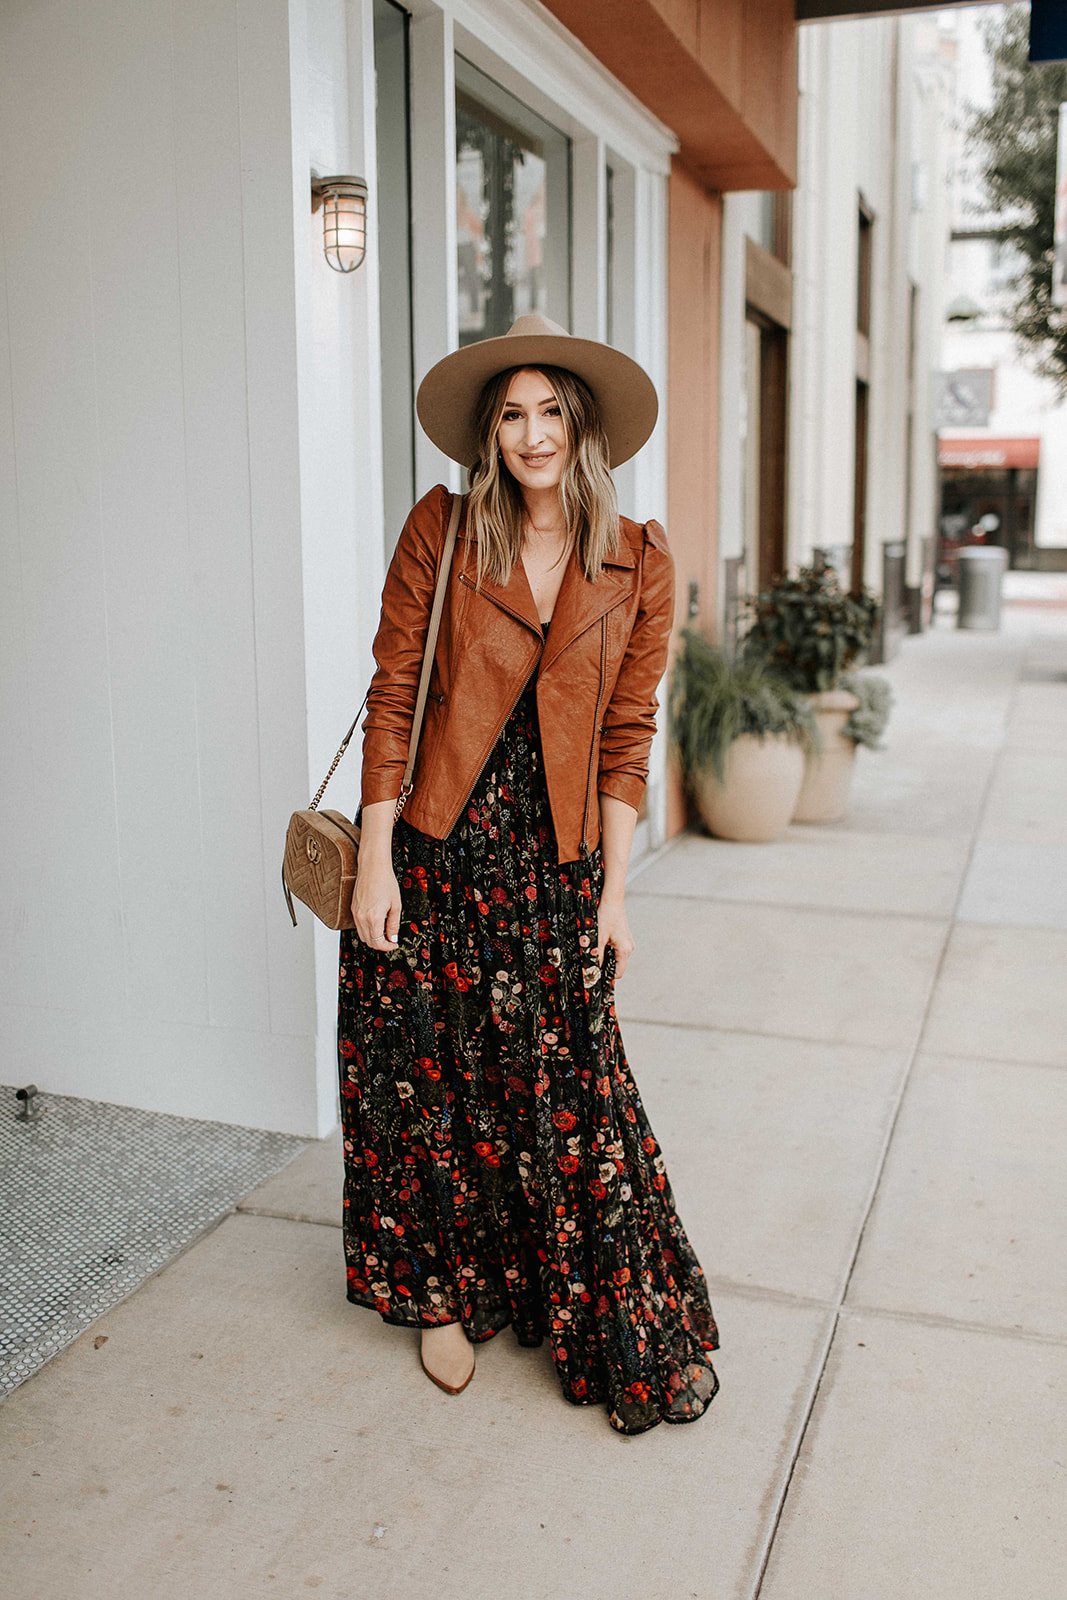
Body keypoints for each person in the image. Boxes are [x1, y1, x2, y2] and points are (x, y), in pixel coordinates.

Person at [337, 313, 719, 1435]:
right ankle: (441, 1296)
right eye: (511, 412)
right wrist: (373, 859)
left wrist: (612, 889)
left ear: (582, 424)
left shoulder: (636, 557)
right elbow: (394, 691)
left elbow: (626, 731)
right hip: (439, 846)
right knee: (429, 1081)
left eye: (551, 410)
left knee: (567, 1091)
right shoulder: (443, 530)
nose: (531, 432)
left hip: (552, 864)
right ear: (487, 432)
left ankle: (554, 1284)